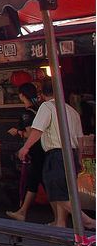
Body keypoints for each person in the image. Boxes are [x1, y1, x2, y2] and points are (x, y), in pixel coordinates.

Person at [17, 81, 96, 229]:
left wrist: (25, 148)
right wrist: (79, 158)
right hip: (71, 154)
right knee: (64, 191)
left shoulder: (46, 107)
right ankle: (60, 222)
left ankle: (86, 220)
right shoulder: (72, 110)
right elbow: (80, 139)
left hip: (57, 154)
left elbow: (38, 129)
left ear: (41, 94)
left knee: (56, 191)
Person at [6, 82, 49, 222]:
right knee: (34, 181)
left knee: (40, 181)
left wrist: (17, 132)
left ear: (22, 95)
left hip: (35, 150)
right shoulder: (40, 110)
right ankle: (23, 211)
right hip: (43, 149)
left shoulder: (27, 113)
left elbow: (30, 133)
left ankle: (66, 214)